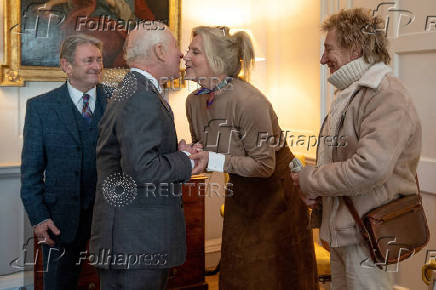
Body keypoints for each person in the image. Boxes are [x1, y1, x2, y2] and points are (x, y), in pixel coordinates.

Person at [291, 8, 422, 290]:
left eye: (328, 49)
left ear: (355, 49)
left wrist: (310, 179)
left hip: (367, 233)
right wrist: (319, 194)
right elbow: (341, 159)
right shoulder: (350, 94)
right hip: (349, 231)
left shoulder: (386, 93)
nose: (322, 58)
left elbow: (368, 168)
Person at [185, 26, 319, 290]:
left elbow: (263, 165)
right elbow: (208, 150)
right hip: (241, 192)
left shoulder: (249, 101)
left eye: (194, 51)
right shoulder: (193, 102)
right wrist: (188, 155)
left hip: (277, 196)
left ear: (217, 61)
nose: (185, 56)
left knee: (276, 274)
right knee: (239, 269)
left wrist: (211, 159)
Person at [89, 24, 207, 290]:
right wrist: (186, 161)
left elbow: (135, 158)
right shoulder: (141, 95)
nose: (182, 56)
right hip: (135, 244)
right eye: (177, 47)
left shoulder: (135, 89)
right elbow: (142, 169)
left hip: (132, 241)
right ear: (160, 51)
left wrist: (176, 154)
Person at [20, 34, 108, 290]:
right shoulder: (41, 108)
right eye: (88, 60)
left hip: (110, 218)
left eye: (99, 59)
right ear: (66, 66)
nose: (97, 66)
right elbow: (31, 174)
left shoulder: (117, 101)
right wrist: (39, 218)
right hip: (59, 222)